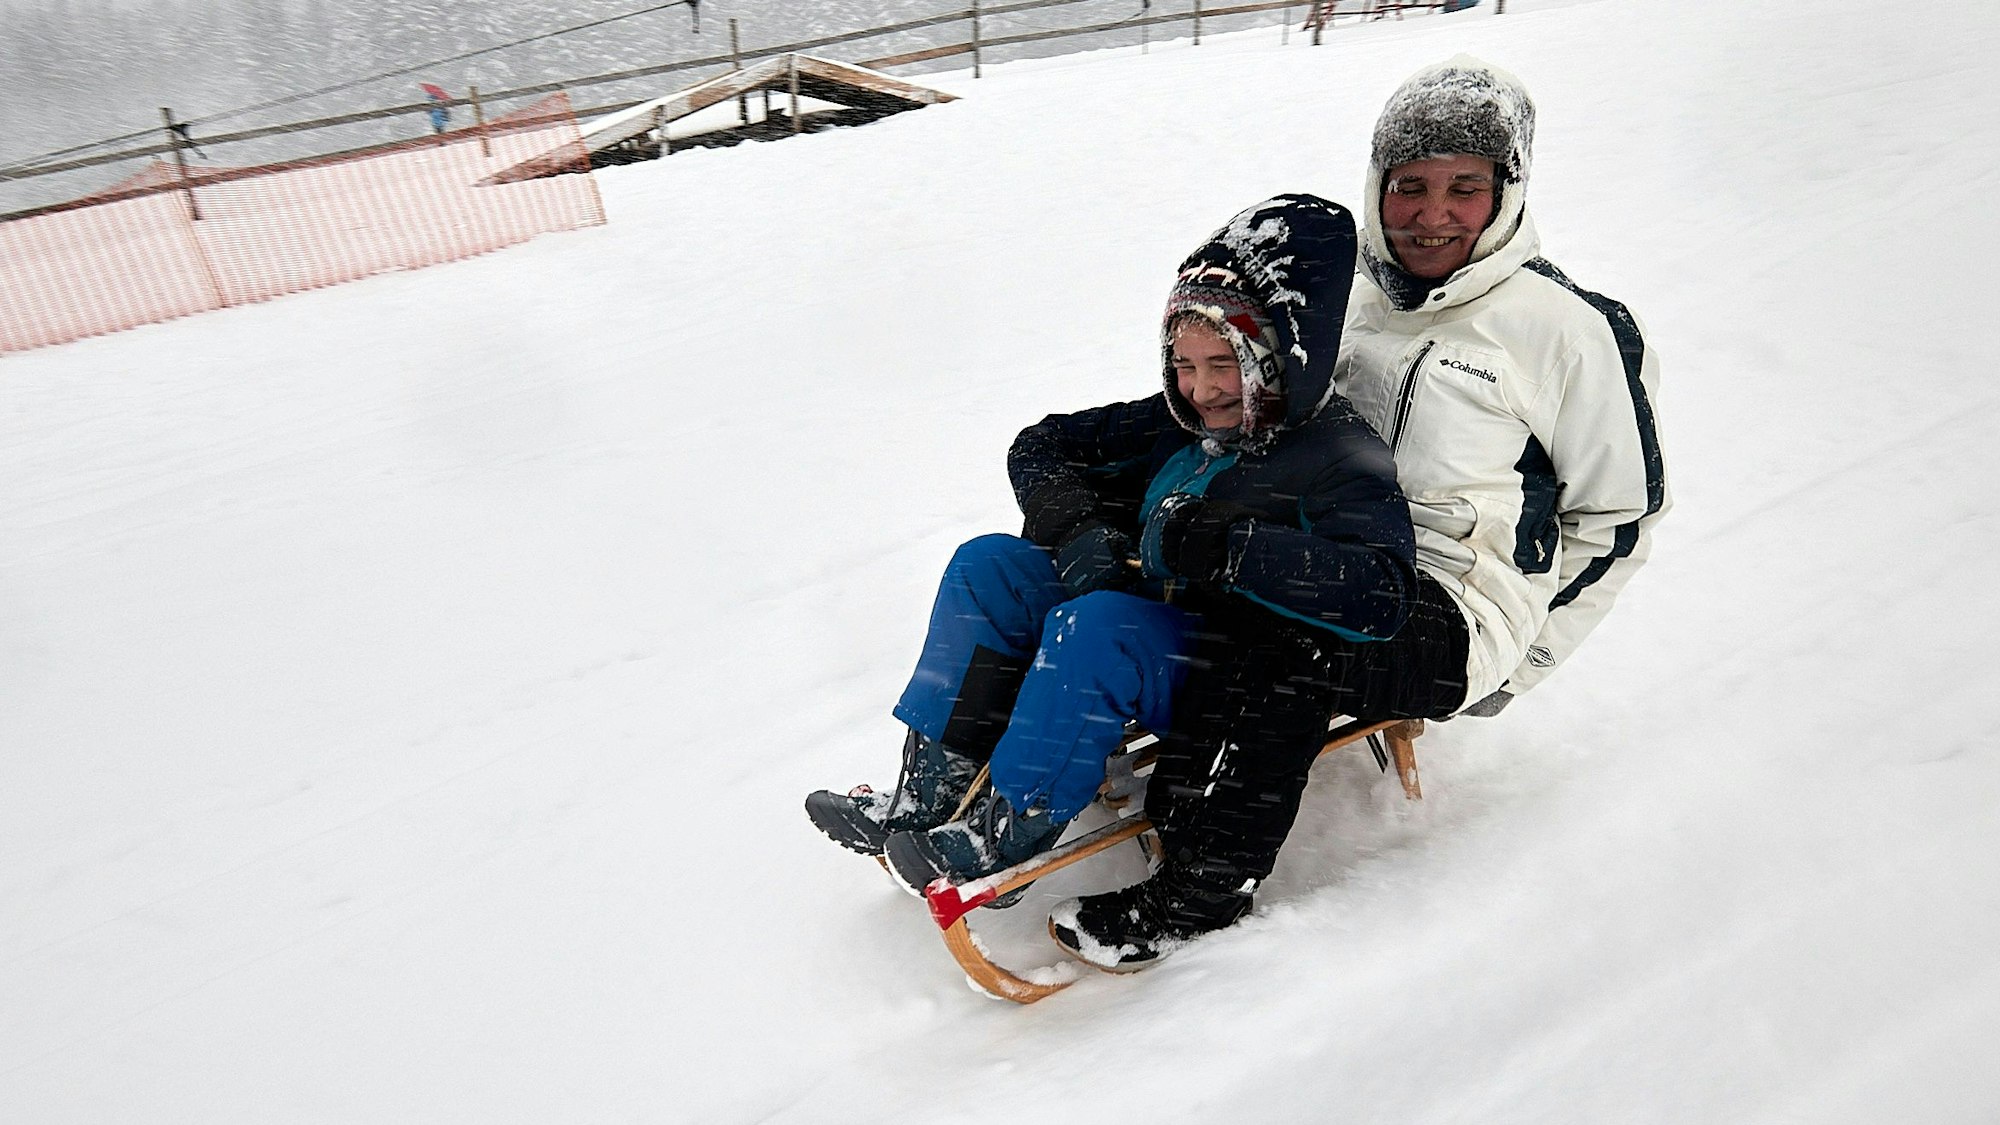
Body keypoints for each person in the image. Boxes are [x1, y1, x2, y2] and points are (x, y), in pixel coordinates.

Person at [1049, 55, 1673, 972]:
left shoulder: (1569, 330)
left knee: (1288, 637)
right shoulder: (1354, 298)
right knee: (1197, 566)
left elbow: (1618, 519)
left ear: (1509, 189)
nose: (1432, 214)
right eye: (1409, 186)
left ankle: (1201, 885)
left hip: (1455, 601)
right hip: (1327, 539)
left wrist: (1524, 651)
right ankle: (1088, 762)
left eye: (1466, 187)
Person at [804, 195, 1422, 917]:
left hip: (1223, 665)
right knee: (988, 568)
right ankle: (927, 791)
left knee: (1093, 627)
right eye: (1184, 363)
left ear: (1280, 355)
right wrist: (1079, 532)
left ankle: (1008, 834)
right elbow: (1040, 446)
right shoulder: (1178, 423)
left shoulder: (1336, 455)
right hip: (1138, 613)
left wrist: (1235, 549)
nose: (1201, 387)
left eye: (1224, 362)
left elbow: (1382, 592)